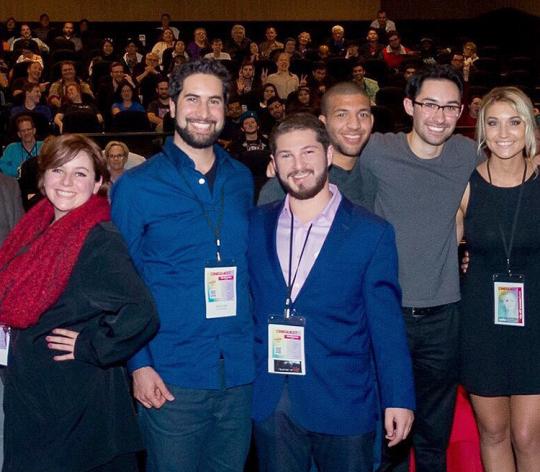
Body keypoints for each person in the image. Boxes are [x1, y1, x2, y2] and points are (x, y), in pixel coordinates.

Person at [111, 59, 254, 472]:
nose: (204, 112)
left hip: (240, 374)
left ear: (227, 110)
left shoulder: (243, 179)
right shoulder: (136, 186)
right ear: (171, 106)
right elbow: (124, 283)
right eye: (192, 99)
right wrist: (139, 364)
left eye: (215, 101)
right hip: (170, 377)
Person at [250, 113, 414, 471]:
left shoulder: (372, 232)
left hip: (344, 400)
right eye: (286, 156)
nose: (298, 166)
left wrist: (399, 398)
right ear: (274, 164)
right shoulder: (256, 223)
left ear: (328, 154)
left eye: (308, 152)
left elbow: (386, 327)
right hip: (274, 401)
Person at [0, 133, 159, 471]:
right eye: (58, 170)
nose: (67, 182)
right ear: (42, 178)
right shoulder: (36, 227)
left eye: (81, 173)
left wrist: (91, 345)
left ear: (99, 182)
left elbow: (141, 312)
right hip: (34, 397)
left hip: (75, 408)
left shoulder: (99, 239)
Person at [358, 65, 480, 472]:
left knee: (433, 435)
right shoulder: (377, 150)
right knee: (386, 433)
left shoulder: (466, 153)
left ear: (461, 111)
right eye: (430, 105)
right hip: (385, 314)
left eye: (450, 107)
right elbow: (326, 157)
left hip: (444, 314)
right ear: (410, 105)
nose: (439, 116)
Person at [457, 86, 540, 472]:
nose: (503, 133)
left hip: (535, 325)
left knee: (527, 436)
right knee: (493, 433)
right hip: (481, 326)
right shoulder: (464, 185)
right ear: (481, 130)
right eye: (493, 123)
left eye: (514, 122)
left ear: (528, 127)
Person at [258, 82, 374, 206]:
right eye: (341, 115)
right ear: (324, 122)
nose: (354, 125)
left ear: (372, 121)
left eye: (363, 114)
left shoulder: (379, 169)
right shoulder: (292, 184)